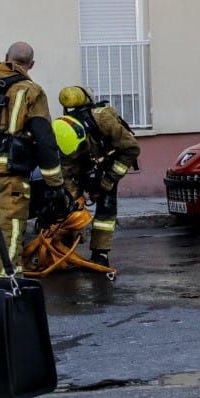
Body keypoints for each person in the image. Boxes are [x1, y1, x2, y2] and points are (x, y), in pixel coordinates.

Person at [0, 42, 62, 275]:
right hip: (10, 177)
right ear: (31, 65)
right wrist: (55, 184)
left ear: (6, 57)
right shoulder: (31, 91)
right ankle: (1, 292)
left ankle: (12, 285)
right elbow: (45, 140)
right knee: (9, 237)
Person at [56, 84, 141, 268]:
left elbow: (131, 148)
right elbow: (66, 168)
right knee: (69, 205)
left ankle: (100, 254)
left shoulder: (104, 119)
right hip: (82, 167)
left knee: (105, 210)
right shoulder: (63, 130)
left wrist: (108, 179)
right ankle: (62, 251)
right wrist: (71, 196)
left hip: (108, 165)